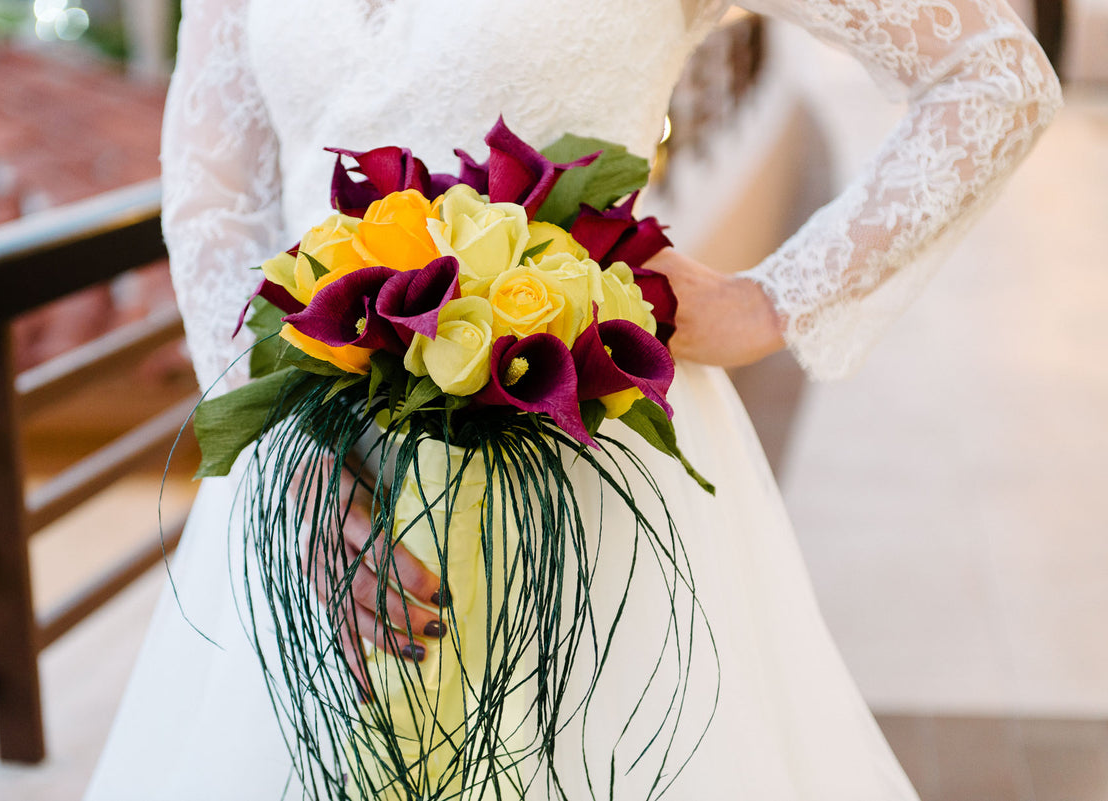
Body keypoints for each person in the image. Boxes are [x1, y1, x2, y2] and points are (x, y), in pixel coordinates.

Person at [84, 0, 1061, 798]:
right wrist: (290, 459)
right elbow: (215, 197)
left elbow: (992, 77)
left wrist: (770, 300)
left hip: (586, 459)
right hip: (317, 480)